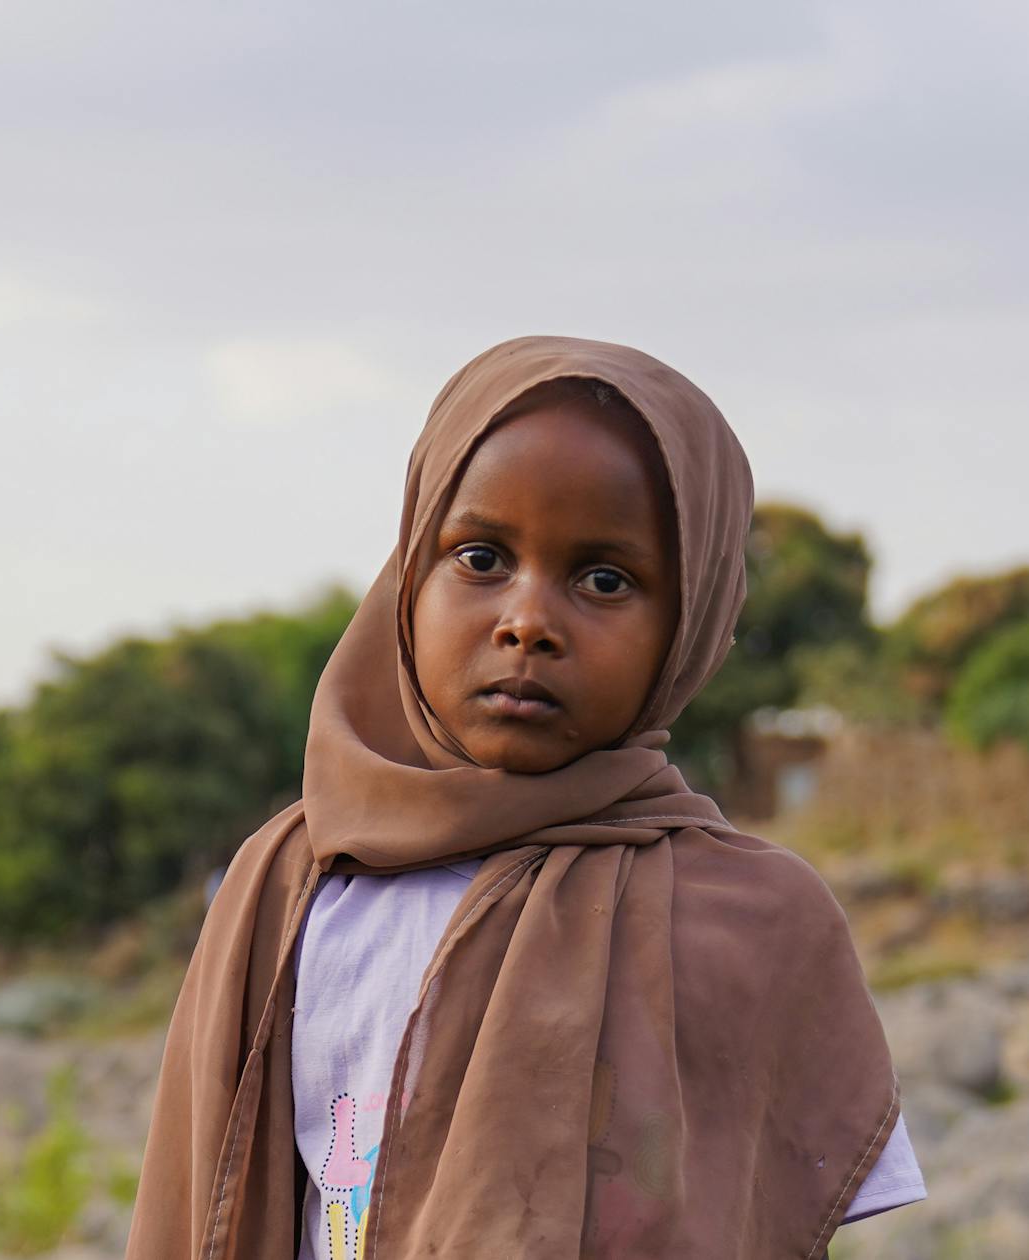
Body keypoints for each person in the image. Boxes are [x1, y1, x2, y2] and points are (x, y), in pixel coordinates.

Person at [127, 336, 921, 1260]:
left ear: (692, 623)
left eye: (605, 579)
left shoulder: (755, 922)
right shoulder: (296, 883)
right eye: (479, 557)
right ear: (407, 581)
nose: (529, 621)